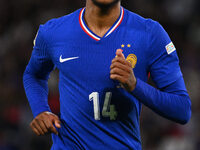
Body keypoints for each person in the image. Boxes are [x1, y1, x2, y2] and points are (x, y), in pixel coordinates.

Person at [23, 0, 191, 149]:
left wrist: (135, 86)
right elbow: (34, 75)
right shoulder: (53, 32)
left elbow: (182, 109)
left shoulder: (150, 34)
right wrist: (41, 110)